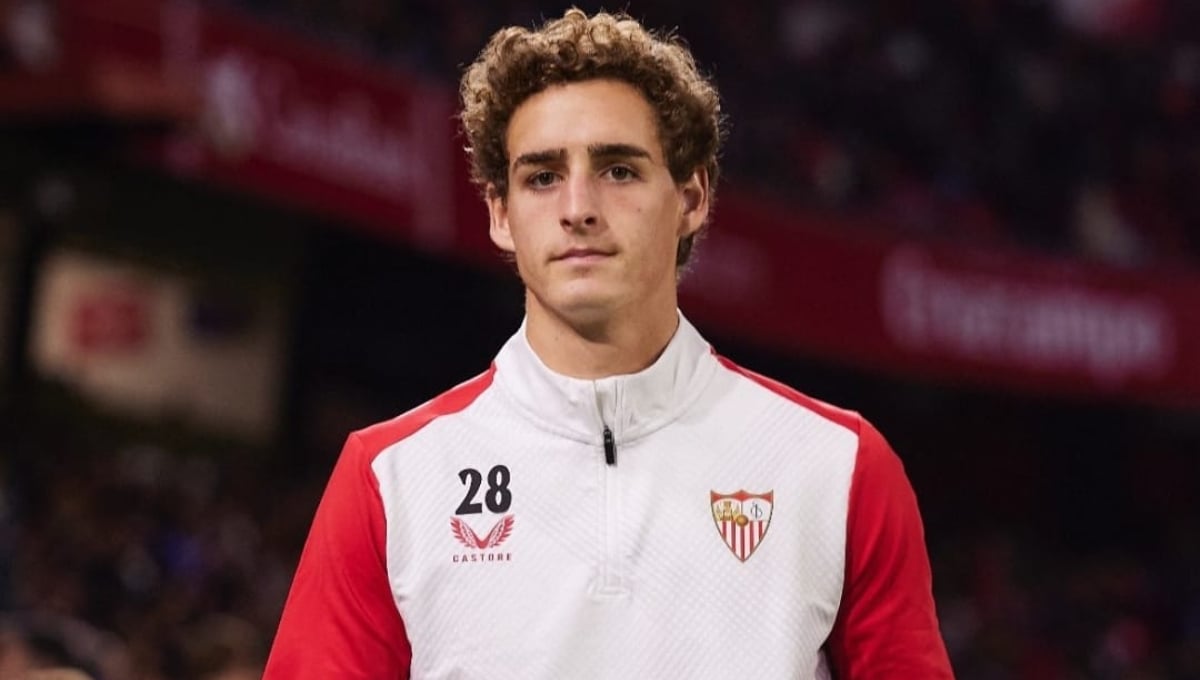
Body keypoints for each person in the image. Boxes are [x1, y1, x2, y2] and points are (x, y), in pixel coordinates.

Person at [264, 8, 953, 679]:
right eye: (542, 177)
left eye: (618, 170)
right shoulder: (390, 479)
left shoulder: (839, 468)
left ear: (692, 197)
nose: (578, 209)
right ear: (500, 214)